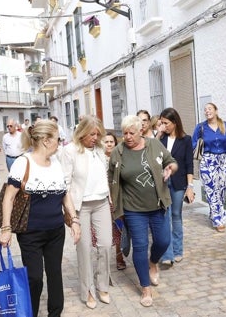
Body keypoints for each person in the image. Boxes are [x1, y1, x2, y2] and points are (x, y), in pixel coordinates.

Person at [0, 120, 81, 317]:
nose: (59, 143)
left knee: (55, 275)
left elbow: (64, 194)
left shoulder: (57, 164)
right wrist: (6, 228)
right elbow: (9, 197)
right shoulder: (22, 163)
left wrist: (74, 220)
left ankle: (55, 313)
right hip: (30, 233)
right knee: (34, 278)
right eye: (57, 140)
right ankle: (31, 312)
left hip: (55, 231)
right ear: (45, 140)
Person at [108, 115, 178, 307]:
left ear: (141, 131)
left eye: (132, 132)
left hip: (158, 205)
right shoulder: (118, 152)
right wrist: (114, 198)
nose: (128, 137)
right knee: (139, 246)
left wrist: (170, 169)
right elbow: (111, 176)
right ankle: (145, 288)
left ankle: (153, 262)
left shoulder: (154, 145)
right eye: (124, 133)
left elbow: (171, 161)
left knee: (163, 241)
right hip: (133, 208)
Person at [60, 116, 113, 309]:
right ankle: (88, 289)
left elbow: (105, 174)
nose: (95, 137)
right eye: (92, 134)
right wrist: (70, 213)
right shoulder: (69, 151)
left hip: (101, 202)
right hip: (80, 206)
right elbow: (65, 184)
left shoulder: (99, 149)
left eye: (98, 133)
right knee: (84, 248)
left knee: (106, 245)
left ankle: (103, 285)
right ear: (82, 132)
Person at [158, 107, 195, 266]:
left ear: (174, 122)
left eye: (166, 123)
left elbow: (189, 164)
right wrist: (158, 134)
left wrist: (190, 186)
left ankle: (178, 250)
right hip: (162, 182)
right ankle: (167, 254)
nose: (163, 126)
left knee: (176, 216)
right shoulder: (160, 139)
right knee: (164, 217)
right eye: (161, 123)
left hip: (179, 183)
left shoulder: (186, 140)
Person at [192, 102, 226, 232]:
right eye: (205, 110)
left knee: (221, 190)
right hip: (207, 160)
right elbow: (193, 144)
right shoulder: (200, 128)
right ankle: (218, 220)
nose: (207, 111)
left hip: (223, 160)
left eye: (210, 109)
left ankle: (214, 213)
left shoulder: (225, 126)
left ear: (216, 111)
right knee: (211, 189)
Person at [103, 131, 126, 271]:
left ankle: (119, 257)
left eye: (111, 141)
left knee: (119, 229)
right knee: (105, 231)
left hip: (118, 197)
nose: (109, 144)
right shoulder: (99, 158)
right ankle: (104, 259)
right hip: (103, 198)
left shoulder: (119, 156)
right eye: (106, 142)